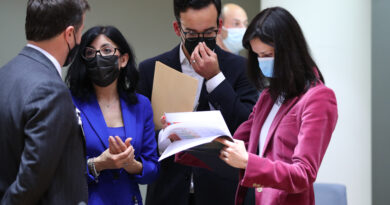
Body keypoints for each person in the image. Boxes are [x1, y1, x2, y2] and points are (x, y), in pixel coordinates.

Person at [137, 0, 258, 204]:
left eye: (208, 32)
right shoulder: (151, 69)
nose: (201, 40)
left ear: (219, 27)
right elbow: (140, 134)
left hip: (223, 192)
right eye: (192, 33)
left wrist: (215, 78)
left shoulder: (241, 68)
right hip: (169, 191)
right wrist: (169, 134)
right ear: (178, 28)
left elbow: (247, 127)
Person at [215, 7, 339, 205]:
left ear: (290, 51)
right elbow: (236, 142)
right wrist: (187, 139)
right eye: (258, 56)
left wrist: (248, 161)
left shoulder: (319, 98)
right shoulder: (268, 96)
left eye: (268, 54)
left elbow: (303, 174)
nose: (262, 62)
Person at [0, 0, 90, 204]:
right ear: (69, 34)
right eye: (80, 31)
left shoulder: (4, 74)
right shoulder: (51, 90)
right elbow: (30, 183)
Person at [66, 26, 160, 205]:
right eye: (90, 52)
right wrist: (98, 163)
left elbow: (153, 169)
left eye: (107, 50)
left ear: (123, 59)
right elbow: (61, 170)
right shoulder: (69, 102)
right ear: (84, 60)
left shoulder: (141, 105)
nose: (98, 57)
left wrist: (132, 165)